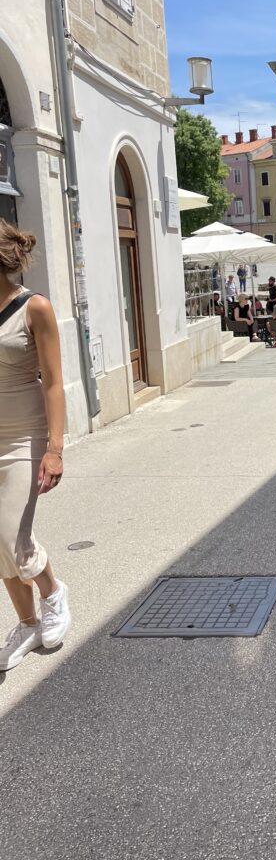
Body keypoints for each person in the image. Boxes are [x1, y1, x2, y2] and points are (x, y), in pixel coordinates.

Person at [0, 220, 71, 671]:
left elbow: (54, 382)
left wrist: (55, 448)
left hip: (23, 437)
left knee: (11, 535)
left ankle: (53, 592)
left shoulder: (34, 307)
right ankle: (27, 624)